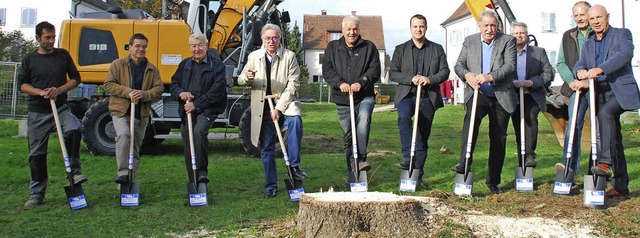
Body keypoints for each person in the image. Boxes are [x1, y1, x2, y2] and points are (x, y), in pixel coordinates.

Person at [18, 21, 87, 208]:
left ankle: (74, 172)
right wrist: (41, 92)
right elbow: (22, 85)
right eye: (47, 37)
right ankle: (37, 194)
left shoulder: (62, 55)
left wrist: (58, 90)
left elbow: (75, 79)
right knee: (36, 154)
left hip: (60, 108)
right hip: (38, 112)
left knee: (74, 129)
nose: (51, 40)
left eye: (53, 37)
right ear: (38, 38)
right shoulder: (29, 59)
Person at [574, 5, 640, 198]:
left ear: (607, 17)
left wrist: (600, 69)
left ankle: (605, 164)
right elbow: (581, 63)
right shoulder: (589, 43)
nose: (595, 22)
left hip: (619, 91)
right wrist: (579, 71)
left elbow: (625, 55)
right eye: (592, 19)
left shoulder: (622, 34)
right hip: (599, 93)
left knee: (606, 113)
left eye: (599, 18)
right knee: (614, 138)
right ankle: (621, 186)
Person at [449, 10, 517, 194]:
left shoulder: (507, 41)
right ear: (479, 27)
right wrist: (467, 75)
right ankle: (464, 163)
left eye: (493, 25)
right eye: (486, 26)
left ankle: (493, 181)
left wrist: (489, 76)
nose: (489, 29)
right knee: (470, 125)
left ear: (497, 26)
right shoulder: (470, 41)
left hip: (500, 95)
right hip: (478, 94)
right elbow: (459, 65)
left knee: (498, 138)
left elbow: (510, 66)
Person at [238, 24, 307, 198]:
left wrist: (279, 108)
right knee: (267, 145)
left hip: (285, 101)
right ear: (262, 39)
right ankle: (271, 185)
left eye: (275, 38)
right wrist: (248, 77)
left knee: (295, 121)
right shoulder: (254, 56)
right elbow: (240, 79)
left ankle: (294, 165)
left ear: (279, 38)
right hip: (263, 106)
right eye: (268, 38)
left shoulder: (289, 56)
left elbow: (293, 85)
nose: (271, 41)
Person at [390, 14, 450, 183]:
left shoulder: (436, 49)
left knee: (423, 137)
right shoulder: (400, 49)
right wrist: (411, 79)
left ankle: (417, 175)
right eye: (415, 26)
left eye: (421, 26)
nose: (418, 29)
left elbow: (445, 72)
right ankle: (408, 157)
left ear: (426, 28)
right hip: (407, 95)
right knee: (403, 117)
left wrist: (429, 79)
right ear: (410, 28)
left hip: (427, 97)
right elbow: (394, 73)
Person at [322, 15, 381, 174]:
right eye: (348, 29)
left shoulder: (369, 47)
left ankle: (361, 159)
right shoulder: (332, 47)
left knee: (363, 119)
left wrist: (361, 82)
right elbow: (327, 70)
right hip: (342, 99)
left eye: (355, 29)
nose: (352, 32)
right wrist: (339, 83)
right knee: (349, 135)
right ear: (343, 30)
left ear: (359, 29)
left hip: (364, 96)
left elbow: (374, 70)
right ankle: (353, 170)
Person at [104, 33, 164, 185]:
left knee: (135, 149)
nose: (141, 49)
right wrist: (128, 92)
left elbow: (158, 89)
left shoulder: (151, 69)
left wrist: (143, 94)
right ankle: (123, 175)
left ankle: (130, 181)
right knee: (124, 136)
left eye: (144, 47)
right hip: (121, 111)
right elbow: (108, 85)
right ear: (130, 47)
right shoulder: (118, 65)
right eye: (137, 46)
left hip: (140, 114)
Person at [170, 33, 228, 186]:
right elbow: (174, 84)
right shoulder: (184, 65)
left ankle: (202, 174)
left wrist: (196, 104)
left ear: (206, 46)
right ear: (190, 47)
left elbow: (218, 90)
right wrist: (180, 93)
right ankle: (193, 180)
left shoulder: (216, 65)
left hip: (208, 109)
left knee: (199, 132)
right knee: (188, 140)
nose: (197, 49)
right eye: (193, 46)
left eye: (200, 45)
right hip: (187, 111)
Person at [555, 1, 593, 177]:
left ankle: (599, 168)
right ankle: (569, 167)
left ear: (590, 14)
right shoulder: (568, 36)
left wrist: (589, 81)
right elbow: (561, 63)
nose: (579, 18)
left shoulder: (598, 34)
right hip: (575, 90)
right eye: (576, 15)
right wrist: (572, 81)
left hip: (596, 88)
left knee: (600, 127)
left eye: (582, 14)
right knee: (574, 127)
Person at [509, 22, 554, 167]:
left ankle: (529, 154)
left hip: (533, 93)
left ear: (527, 35)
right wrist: (513, 82)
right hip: (513, 94)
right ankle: (522, 160)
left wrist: (533, 82)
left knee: (530, 118)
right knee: (518, 125)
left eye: (521, 33)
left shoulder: (538, 52)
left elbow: (548, 73)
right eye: (515, 33)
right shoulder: (507, 53)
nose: (518, 36)